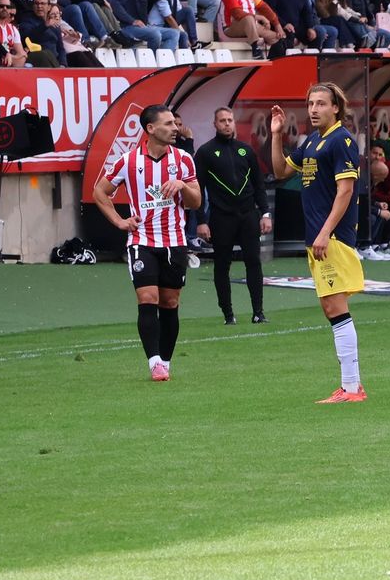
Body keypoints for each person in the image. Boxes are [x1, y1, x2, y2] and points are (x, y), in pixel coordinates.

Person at [269, 85, 367, 404]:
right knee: (330, 306)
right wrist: (276, 135)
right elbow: (281, 171)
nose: (313, 109)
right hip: (318, 236)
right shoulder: (312, 140)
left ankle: (352, 388)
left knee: (335, 306)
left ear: (336, 108)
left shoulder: (341, 140)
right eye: (310, 103)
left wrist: (325, 232)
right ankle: (350, 386)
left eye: (321, 103)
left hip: (332, 237)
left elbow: (345, 191)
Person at [91, 105, 201, 383]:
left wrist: (182, 186)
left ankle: (166, 361)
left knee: (170, 301)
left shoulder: (184, 160)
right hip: (142, 240)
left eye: (175, 123)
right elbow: (100, 192)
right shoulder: (128, 161)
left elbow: (196, 201)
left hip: (175, 241)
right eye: (168, 124)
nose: (175, 128)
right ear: (151, 129)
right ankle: (154, 363)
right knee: (148, 298)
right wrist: (119, 221)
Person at [196, 107, 272, 326]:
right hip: (221, 217)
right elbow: (197, 189)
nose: (227, 124)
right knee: (222, 265)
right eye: (222, 120)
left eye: (230, 120)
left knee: (253, 262)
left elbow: (259, 185)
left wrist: (265, 213)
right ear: (215, 124)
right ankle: (228, 314)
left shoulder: (246, 150)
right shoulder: (205, 152)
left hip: (248, 215)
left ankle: (258, 312)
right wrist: (201, 221)